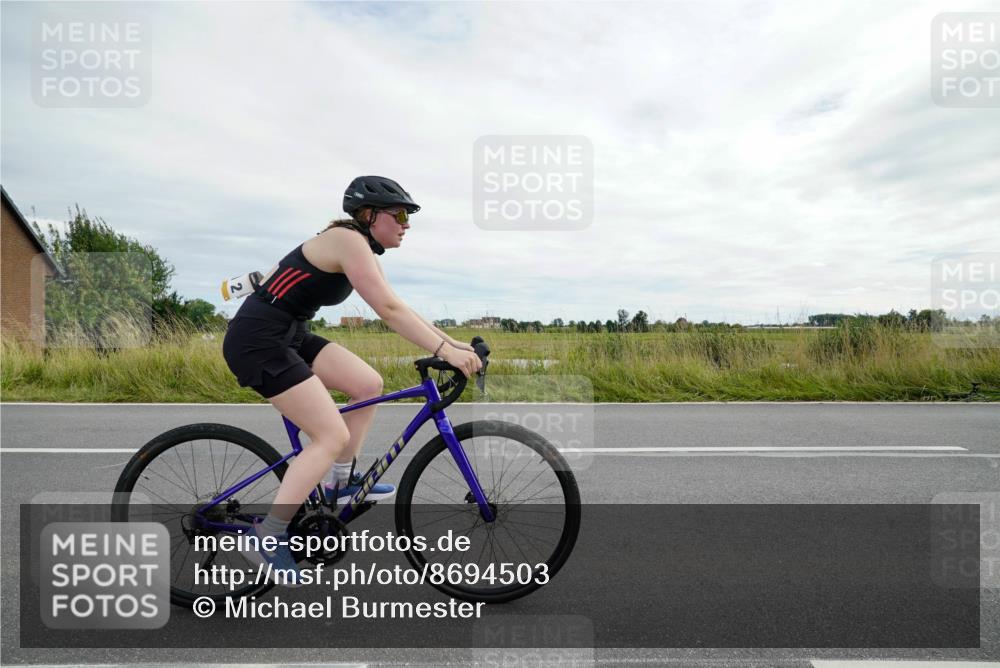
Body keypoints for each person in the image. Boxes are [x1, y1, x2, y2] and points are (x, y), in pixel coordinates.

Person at [221, 175, 482, 585]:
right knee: (330, 436)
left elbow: (400, 305)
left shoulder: (355, 245)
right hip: (258, 341)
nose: (405, 224)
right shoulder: (346, 240)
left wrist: (454, 344)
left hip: (291, 334)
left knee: (367, 385)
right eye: (398, 215)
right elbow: (388, 311)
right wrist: (444, 352)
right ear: (368, 215)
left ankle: (340, 483)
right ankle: (268, 537)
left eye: (408, 216)